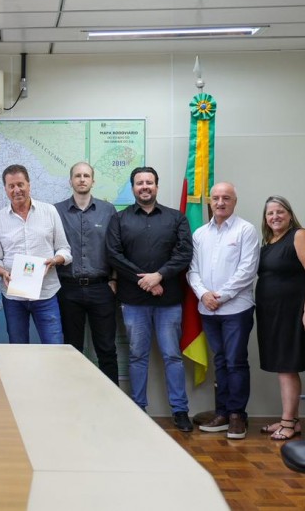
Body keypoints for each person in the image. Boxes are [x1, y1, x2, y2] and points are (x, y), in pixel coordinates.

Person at [106, 166, 194, 430]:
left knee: (172, 357)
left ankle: (180, 411)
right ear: (133, 187)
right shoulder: (119, 220)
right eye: (139, 183)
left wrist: (159, 276)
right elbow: (113, 255)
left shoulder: (176, 218)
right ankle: (138, 409)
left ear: (157, 186)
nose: (144, 187)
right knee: (136, 356)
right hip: (133, 301)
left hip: (168, 301)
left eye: (149, 182)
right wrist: (145, 280)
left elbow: (184, 254)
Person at [187, 182, 259, 440]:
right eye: (215, 198)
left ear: (234, 201)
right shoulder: (200, 234)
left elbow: (247, 270)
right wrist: (204, 294)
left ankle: (238, 415)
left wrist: (222, 296)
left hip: (236, 309)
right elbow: (192, 269)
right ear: (210, 202)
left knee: (235, 361)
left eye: (226, 198)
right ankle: (222, 413)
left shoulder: (246, 230)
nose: (220, 202)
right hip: (207, 309)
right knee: (220, 361)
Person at [255, 195, 305, 441]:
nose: (275, 217)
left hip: (293, 312)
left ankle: (289, 423)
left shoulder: (299, 235)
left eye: (280, 211)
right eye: (270, 213)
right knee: (283, 367)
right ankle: (289, 418)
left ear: (290, 214)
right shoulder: (269, 242)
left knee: (288, 368)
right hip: (272, 314)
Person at [0, 164, 72, 344]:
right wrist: (2, 272)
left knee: (54, 346)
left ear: (29, 185)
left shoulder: (49, 211)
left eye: (20, 184)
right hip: (13, 297)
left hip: (46, 293)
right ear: (5, 189)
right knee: (18, 349)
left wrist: (56, 260)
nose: (16, 190)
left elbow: (65, 249)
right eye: (11, 186)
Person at [55, 163, 119, 384]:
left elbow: (115, 247)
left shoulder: (107, 210)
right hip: (68, 288)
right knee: (71, 350)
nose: (82, 179)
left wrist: (113, 279)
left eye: (86, 176)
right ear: (70, 180)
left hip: (101, 288)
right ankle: (73, 400)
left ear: (93, 181)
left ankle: (114, 403)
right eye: (77, 176)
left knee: (106, 349)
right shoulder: (56, 211)